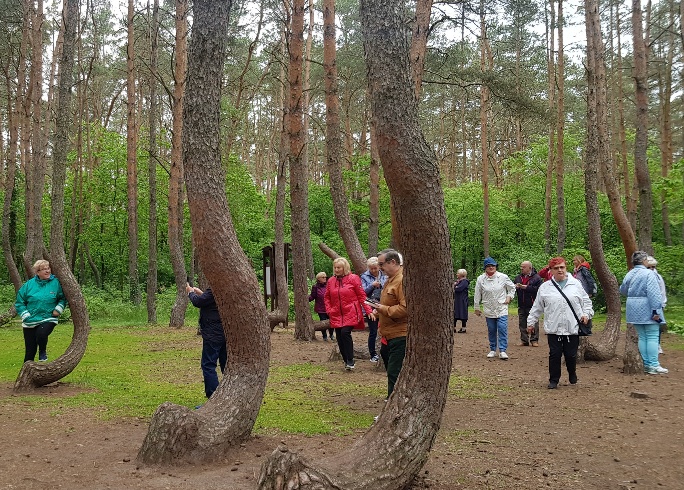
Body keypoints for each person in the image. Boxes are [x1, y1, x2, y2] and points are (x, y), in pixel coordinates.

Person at [527, 257, 593, 389]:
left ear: (566, 268)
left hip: (572, 326)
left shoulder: (576, 284)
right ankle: (554, 380)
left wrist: (586, 314)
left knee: (570, 355)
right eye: (556, 268)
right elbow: (537, 307)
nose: (560, 270)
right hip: (554, 326)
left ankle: (572, 373)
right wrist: (531, 322)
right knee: (555, 354)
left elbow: (586, 302)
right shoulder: (545, 287)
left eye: (562, 267)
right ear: (550, 270)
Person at [620, 251, 667, 375]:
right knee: (652, 336)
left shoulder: (629, 274)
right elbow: (654, 294)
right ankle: (653, 364)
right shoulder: (649, 274)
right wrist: (656, 310)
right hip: (647, 307)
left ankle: (646, 364)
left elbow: (623, 290)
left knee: (642, 336)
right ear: (644, 261)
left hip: (632, 307)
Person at [324, 257, 373, 371]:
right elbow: (327, 297)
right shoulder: (331, 281)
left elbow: (362, 296)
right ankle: (346, 361)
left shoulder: (353, 278)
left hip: (351, 311)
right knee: (340, 337)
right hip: (336, 313)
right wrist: (329, 310)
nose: (336, 270)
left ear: (344, 268)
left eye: (339, 267)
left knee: (345, 333)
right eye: (335, 267)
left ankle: (350, 359)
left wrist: (369, 310)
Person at [15, 260, 67, 363]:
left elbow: (63, 298)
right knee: (29, 353)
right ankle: (26, 376)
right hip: (31, 320)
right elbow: (19, 302)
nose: (47, 271)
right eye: (44, 269)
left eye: (48, 268)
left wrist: (58, 309)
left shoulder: (56, 283)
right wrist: (26, 315)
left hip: (48, 317)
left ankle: (42, 351)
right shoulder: (29, 285)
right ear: (37, 272)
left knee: (41, 334)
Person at [372, 249, 407, 397]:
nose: (380, 268)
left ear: (393, 262)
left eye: (381, 264)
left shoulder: (402, 280)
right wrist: (378, 311)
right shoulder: (390, 279)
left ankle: (392, 403)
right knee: (391, 369)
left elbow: (405, 309)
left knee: (394, 372)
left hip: (400, 334)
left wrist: (383, 309)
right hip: (388, 335)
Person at [186, 283, 227, 398]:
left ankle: (213, 396)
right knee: (225, 364)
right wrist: (200, 293)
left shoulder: (216, 287)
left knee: (208, 364)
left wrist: (190, 292)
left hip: (213, 333)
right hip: (224, 332)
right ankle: (229, 392)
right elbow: (210, 300)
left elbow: (198, 302)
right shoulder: (225, 287)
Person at [474, 257, 515, 359]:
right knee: (491, 329)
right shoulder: (480, 279)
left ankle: (502, 350)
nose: (491, 267)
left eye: (493, 265)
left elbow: (512, 288)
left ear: (496, 266)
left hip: (501, 307)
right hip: (489, 307)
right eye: (488, 266)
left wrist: (509, 297)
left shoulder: (503, 277)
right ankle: (492, 349)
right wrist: (476, 307)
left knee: (502, 328)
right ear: (485, 268)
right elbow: (477, 293)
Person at [360, 257, 386, 363]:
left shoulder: (384, 274)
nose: (374, 270)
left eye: (375, 268)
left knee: (384, 330)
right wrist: (372, 285)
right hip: (370, 307)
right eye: (371, 269)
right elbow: (362, 292)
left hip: (383, 306)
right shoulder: (364, 276)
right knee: (373, 331)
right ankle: (373, 354)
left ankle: (383, 352)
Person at [514, 261, 543, 346]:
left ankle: (534, 340)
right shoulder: (518, 278)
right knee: (522, 322)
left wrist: (526, 287)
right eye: (521, 267)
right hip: (521, 303)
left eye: (523, 267)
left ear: (529, 268)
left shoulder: (537, 278)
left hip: (532, 304)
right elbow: (512, 288)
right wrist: (515, 287)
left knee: (534, 322)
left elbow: (539, 290)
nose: (521, 268)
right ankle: (524, 340)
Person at [646, 256, 667, 354]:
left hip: (657, 305)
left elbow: (662, 291)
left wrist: (662, 303)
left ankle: (657, 344)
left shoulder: (658, 277)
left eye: (653, 267)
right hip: (645, 305)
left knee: (657, 325)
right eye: (648, 267)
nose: (651, 269)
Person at [309, 271, 333, 341]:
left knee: (331, 322)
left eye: (325, 277)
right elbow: (312, 296)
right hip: (320, 308)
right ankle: (324, 336)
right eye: (323, 277)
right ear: (318, 278)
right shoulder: (315, 287)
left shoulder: (329, 285)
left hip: (329, 307)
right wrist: (305, 299)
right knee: (323, 323)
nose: (325, 278)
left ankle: (331, 335)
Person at [453, 269, 469, 333]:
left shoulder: (465, 281)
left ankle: (463, 328)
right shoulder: (458, 281)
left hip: (462, 301)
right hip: (457, 300)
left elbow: (459, 289)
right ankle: (453, 327)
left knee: (463, 314)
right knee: (454, 314)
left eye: (458, 273)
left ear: (462, 274)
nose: (457, 274)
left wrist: (454, 286)